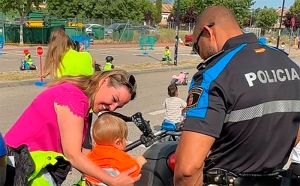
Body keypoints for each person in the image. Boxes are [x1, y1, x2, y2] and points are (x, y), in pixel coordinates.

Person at [174, 6, 300, 186]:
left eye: (196, 46)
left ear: (208, 32)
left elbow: (187, 170)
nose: (200, 54)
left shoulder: (213, 75)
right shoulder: (290, 64)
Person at [4, 70, 140, 185]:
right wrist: (112, 180)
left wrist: (111, 168)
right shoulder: (74, 98)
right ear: (104, 81)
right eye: (114, 99)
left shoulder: (85, 104)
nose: (112, 108)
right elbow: (73, 155)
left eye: (119, 107)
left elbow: (87, 154)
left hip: (30, 167)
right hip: (19, 166)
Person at [84, 114, 146, 185]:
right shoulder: (120, 158)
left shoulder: (91, 154)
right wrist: (139, 162)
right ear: (118, 142)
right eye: (124, 138)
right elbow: (133, 172)